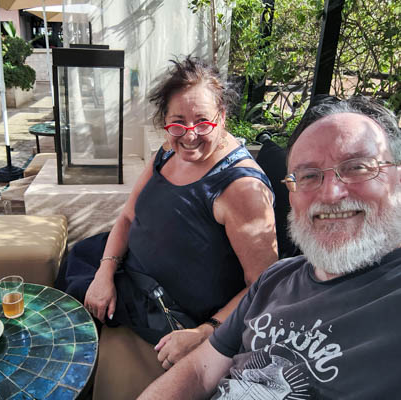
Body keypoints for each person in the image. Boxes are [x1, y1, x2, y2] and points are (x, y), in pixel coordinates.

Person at [138, 95, 401, 399]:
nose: (330, 193)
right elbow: (199, 372)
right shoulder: (275, 280)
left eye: (357, 167)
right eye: (308, 175)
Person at [55, 55, 278, 369]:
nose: (189, 135)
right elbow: (129, 216)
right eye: (178, 122)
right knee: (75, 263)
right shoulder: (169, 150)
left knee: (67, 316)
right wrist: (104, 274)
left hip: (163, 306)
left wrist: (204, 333)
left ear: (223, 116)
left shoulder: (242, 189)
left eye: (203, 121)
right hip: (127, 268)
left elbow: (264, 285)